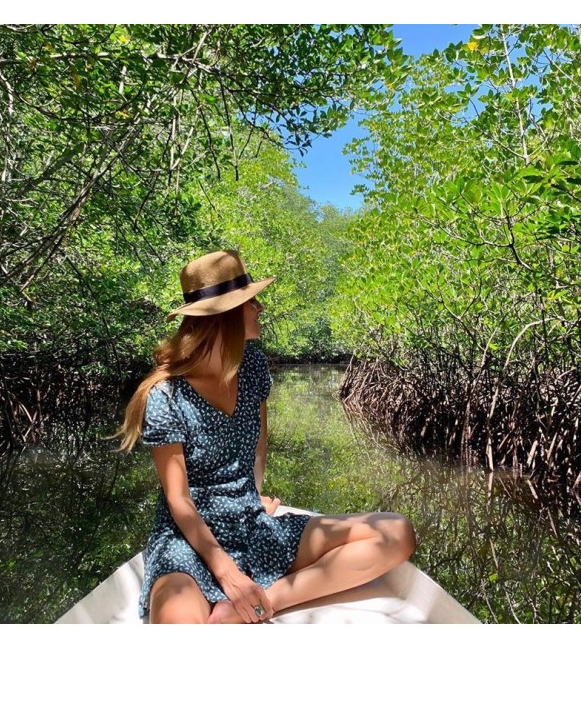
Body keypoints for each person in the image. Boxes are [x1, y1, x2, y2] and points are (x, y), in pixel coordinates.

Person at [118, 249, 416, 623]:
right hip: (188, 541)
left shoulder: (253, 365)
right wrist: (227, 573)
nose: (259, 307)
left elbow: (258, 447)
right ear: (224, 315)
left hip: (253, 525)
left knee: (395, 532)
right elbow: (178, 500)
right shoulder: (165, 395)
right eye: (249, 301)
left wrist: (252, 501)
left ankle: (259, 604)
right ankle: (240, 596)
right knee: (177, 625)